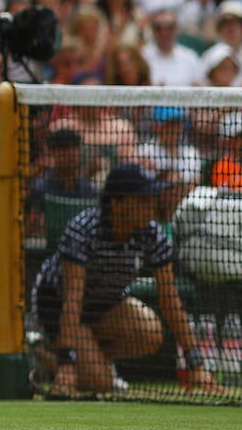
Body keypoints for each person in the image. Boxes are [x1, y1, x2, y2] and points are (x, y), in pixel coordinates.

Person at [34, 162, 223, 397]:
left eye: (151, 199)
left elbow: (170, 300)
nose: (151, 207)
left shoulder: (152, 233)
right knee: (100, 383)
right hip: (58, 304)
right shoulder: (83, 231)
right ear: (117, 203)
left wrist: (196, 365)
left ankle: (91, 359)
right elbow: (72, 300)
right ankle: (43, 353)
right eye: (142, 201)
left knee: (149, 333)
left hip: (105, 305)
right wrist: (65, 366)